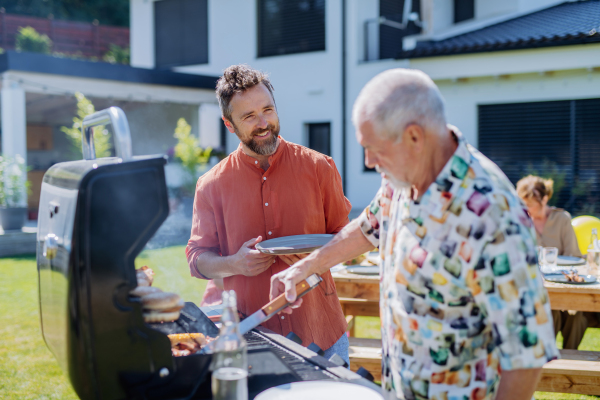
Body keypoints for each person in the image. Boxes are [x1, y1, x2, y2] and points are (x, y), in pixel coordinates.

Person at [270, 68, 559, 400]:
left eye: (373, 149)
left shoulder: (492, 214)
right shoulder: (400, 179)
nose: (368, 161)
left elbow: (526, 355)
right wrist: (305, 267)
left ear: (414, 137)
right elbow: (368, 227)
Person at [186, 64, 352, 364]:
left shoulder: (319, 167)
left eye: (268, 110)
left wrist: (314, 257)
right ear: (229, 124)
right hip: (252, 341)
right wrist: (233, 263)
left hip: (322, 332)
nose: (263, 123)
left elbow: (347, 240)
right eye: (249, 116)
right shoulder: (210, 185)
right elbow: (197, 259)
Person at [517, 175, 587, 349]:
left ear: (545, 199)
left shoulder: (562, 219)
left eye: (531, 205)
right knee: (549, 310)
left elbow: (574, 256)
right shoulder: (522, 222)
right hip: (536, 287)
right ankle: (548, 359)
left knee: (576, 315)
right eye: (524, 204)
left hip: (564, 285)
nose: (527, 209)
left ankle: (571, 359)